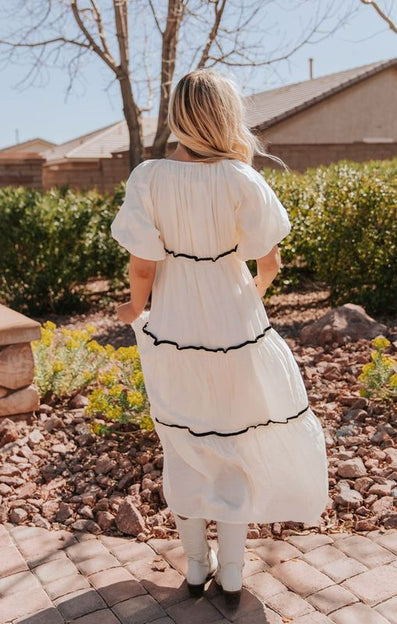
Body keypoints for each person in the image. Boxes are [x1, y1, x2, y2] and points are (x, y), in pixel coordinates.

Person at [110, 69, 329, 606]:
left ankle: (193, 569)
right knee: (232, 441)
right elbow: (270, 260)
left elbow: (143, 267)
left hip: (175, 327)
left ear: (178, 117)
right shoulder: (242, 178)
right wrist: (246, 294)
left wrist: (134, 307)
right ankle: (231, 576)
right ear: (227, 117)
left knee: (183, 440)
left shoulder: (148, 177)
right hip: (236, 326)